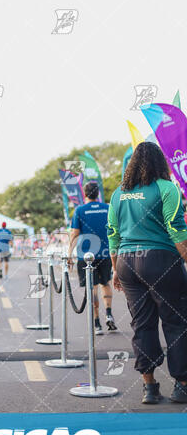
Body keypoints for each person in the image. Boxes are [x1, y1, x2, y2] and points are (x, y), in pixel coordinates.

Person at [108, 141, 187, 404]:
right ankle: (182, 386)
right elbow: (176, 228)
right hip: (160, 259)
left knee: (142, 324)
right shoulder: (167, 188)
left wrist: (115, 269)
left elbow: (113, 234)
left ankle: (149, 387)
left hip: (128, 262)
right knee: (175, 322)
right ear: (160, 162)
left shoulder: (119, 194)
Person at [67, 181, 117, 335]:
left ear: (85, 194)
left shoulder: (80, 210)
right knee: (106, 283)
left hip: (86, 255)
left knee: (92, 287)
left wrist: (69, 254)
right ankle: (109, 313)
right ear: (98, 193)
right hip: (106, 253)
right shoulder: (108, 208)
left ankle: (97, 323)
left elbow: (75, 234)